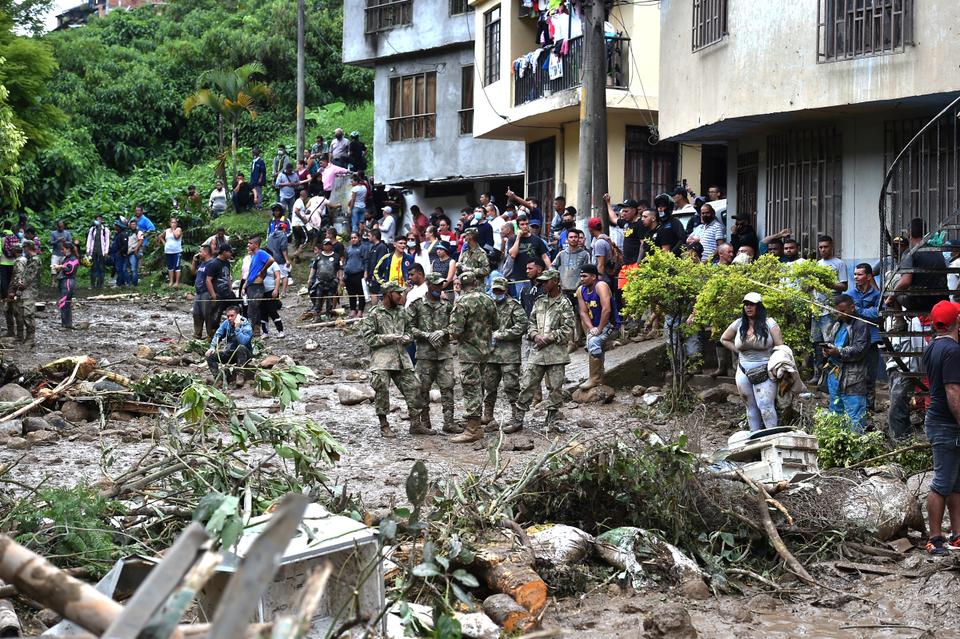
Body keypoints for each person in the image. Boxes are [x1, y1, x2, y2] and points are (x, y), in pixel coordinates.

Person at [510, 269, 575, 433]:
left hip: (556, 354)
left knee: (555, 388)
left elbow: (568, 330)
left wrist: (549, 337)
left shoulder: (565, 303)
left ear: (555, 281)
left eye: (546, 281)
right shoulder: (539, 301)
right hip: (537, 352)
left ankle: (551, 421)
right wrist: (535, 335)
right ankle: (517, 420)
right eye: (542, 282)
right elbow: (530, 323)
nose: (543, 284)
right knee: (527, 384)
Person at [919, 300, 960, 556]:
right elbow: (953, 390)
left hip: (940, 420)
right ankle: (935, 538)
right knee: (943, 482)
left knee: (956, 482)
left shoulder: (933, 346)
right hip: (947, 423)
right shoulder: (953, 351)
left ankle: (957, 534)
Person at [359, 281, 424, 438]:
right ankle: (384, 424)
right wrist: (388, 338)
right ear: (389, 294)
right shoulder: (375, 313)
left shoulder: (402, 312)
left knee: (414, 386)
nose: (401, 296)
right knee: (381, 387)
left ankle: (416, 423)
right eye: (398, 293)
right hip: (382, 358)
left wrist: (406, 338)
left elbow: (411, 331)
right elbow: (368, 337)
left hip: (401, 357)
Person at [447, 270, 499, 443]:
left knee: (470, 387)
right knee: (480, 386)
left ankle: (473, 428)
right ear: (476, 283)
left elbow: (455, 330)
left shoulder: (461, 302)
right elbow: (497, 324)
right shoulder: (488, 299)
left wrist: (445, 333)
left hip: (468, 352)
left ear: (460, 285)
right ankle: (476, 422)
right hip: (485, 350)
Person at [720, 293, 784, 432]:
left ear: (759, 306)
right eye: (746, 304)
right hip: (743, 370)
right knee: (751, 407)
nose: (748, 307)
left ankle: (772, 438)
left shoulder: (770, 323)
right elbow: (724, 339)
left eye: (752, 304)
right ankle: (755, 439)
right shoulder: (738, 324)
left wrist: (778, 366)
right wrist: (738, 351)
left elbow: (781, 348)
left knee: (766, 406)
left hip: (766, 370)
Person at [407, 272, 455, 435]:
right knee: (422, 389)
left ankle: (449, 422)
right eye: (435, 284)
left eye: (441, 284)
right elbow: (408, 327)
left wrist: (443, 332)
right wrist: (426, 335)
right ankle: (424, 422)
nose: (439, 287)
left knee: (448, 387)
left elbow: (456, 326)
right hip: (424, 354)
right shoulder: (417, 305)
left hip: (444, 354)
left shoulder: (447, 305)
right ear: (428, 285)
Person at [482, 275, 529, 432]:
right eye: (494, 290)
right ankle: (487, 415)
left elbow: (522, 326)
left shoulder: (514, 306)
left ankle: (516, 418)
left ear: (505, 290)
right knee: (489, 386)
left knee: (511, 386)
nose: (497, 293)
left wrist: (501, 334)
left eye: (500, 290)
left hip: (509, 354)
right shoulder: (487, 305)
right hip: (490, 354)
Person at [821, 294, 871, 433]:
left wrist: (838, 351)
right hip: (835, 375)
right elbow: (833, 342)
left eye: (843, 311)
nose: (840, 314)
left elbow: (859, 350)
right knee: (836, 411)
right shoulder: (838, 323)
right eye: (838, 311)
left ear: (852, 308)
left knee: (855, 415)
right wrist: (828, 351)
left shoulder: (861, 325)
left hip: (853, 378)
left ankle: (856, 449)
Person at [888, 217, 951, 312]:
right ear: (924, 232)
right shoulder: (937, 251)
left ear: (909, 232)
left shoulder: (909, 253)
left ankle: (899, 322)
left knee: (891, 277)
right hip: (941, 300)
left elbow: (905, 282)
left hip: (918, 302)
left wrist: (891, 297)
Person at [810, 235, 849, 382]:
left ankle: (829, 376)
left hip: (830, 309)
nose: (823, 250)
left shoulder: (839, 264)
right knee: (816, 343)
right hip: (816, 309)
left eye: (825, 247)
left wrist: (826, 283)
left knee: (829, 343)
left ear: (831, 246)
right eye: (820, 247)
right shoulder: (816, 264)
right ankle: (817, 374)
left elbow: (844, 286)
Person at [576, 263, 620, 389]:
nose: (582, 279)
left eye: (585, 276)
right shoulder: (581, 290)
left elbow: (606, 310)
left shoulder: (601, 286)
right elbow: (583, 312)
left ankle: (594, 379)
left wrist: (599, 329)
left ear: (594, 277)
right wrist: (591, 329)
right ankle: (598, 376)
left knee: (593, 342)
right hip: (594, 326)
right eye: (581, 276)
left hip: (609, 324)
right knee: (592, 341)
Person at [850, 263, 882, 408]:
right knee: (854, 375)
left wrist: (858, 311)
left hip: (871, 340)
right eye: (855, 274)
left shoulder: (877, 296)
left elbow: (877, 314)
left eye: (859, 274)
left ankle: (869, 408)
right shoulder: (849, 295)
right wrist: (867, 311)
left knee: (870, 375)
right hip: (854, 341)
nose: (856, 277)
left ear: (869, 277)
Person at [553, 228, 591, 349]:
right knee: (568, 316)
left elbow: (589, 270)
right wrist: (556, 280)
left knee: (583, 314)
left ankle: (587, 340)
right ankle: (571, 342)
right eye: (571, 237)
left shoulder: (584, 254)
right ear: (567, 239)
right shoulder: (562, 254)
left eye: (576, 237)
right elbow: (553, 266)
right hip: (565, 289)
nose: (574, 239)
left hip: (580, 289)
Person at [205, 306, 253, 386]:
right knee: (210, 356)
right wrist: (212, 347)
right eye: (228, 316)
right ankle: (218, 378)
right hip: (231, 353)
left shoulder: (246, 325)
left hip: (244, 354)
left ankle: (240, 376)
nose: (229, 318)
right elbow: (218, 334)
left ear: (238, 316)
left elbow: (243, 341)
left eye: (232, 316)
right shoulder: (226, 323)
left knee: (241, 347)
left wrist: (237, 328)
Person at [240, 236, 275, 337]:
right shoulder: (254, 256)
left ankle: (256, 331)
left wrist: (263, 269)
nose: (248, 245)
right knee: (250, 308)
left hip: (257, 286)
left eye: (250, 243)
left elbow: (271, 259)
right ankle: (253, 330)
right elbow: (251, 273)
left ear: (256, 245)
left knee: (253, 308)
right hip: (251, 285)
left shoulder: (260, 253)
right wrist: (244, 286)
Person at [10, 240, 40, 345]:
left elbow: (29, 278)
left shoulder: (35, 260)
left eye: (24, 248)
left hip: (30, 290)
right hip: (27, 290)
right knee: (23, 313)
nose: (23, 250)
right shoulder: (30, 259)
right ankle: (26, 337)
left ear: (28, 247)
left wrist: (20, 285)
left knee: (28, 313)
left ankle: (30, 338)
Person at [203, 243, 235, 336]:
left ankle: (232, 333)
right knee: (215, 316)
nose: (231, 254)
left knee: (234, 312)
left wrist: (230, 289)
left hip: (227, 293)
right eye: (229, 252)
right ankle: (213, 336)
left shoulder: (227, 263)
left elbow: (228, 277)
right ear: (224, 252)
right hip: (218, 294)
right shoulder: (214, 263)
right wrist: (213, 294)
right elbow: (208, 280)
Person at [604, 195, 645, 266]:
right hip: (626, 263)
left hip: (635, 264)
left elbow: (643, 244)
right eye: (623, 211)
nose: (623, 214)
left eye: (626, 211)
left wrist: (638, 263)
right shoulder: (626, 223)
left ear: (634, 210)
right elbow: (613, 218)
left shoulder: (640, 224)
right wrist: (608, 203)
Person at [308, 240, 341, 316]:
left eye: (329, 244)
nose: (327, 246)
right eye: (325, 245)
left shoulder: (336, 256)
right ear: (323, 246)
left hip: (332, 281)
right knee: (318, 298)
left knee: (330, 298)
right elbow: (314, 268)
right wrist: (310, 278)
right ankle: (317, 314)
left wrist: (340, 279)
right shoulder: (319, 256)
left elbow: (339, 269)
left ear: (331, 246)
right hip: (320, 281)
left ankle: (329, 314)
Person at [54, 242, 80, 329]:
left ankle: (66, 324)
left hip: (68, 282)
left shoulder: (73, 259)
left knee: (64, 303)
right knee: (65, 303)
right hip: (64, 282)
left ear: (68, 249)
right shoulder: (67, 258)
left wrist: (61, 267)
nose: (62, 251)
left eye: (63, 249)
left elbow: (70, 270)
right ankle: (67, 324)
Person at [343, 232, 369, 318]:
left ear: (359, 238)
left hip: (359, 273)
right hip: (348, 273)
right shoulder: (348, 249)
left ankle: (360, 311)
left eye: (355, 237)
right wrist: (344, 272)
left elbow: (366, 261)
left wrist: (365, 272)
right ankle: (353, 310)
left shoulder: (363, 248)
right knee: (351, 293)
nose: (353, 239)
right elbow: (346, 260)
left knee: (360, 293)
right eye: (352, 238)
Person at [191, 245, 214, 339]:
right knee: (196, 313)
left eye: (200, 252)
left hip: (206, 292)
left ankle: (211, 336)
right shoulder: (202, 263)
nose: (199, 254)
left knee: (207, 314)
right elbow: (193, 273)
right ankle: (197, 334)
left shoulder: (212, 263)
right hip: (198, 292)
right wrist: (194, 261)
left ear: (206, 252)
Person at [260, 258, 285, 338]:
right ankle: (265, 332)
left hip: (271, 290)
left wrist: (276, 289)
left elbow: (278, 277)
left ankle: (280, 330)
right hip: (260, 291)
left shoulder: (273, 264)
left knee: (272, 311)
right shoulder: (259, 263)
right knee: (263, 312)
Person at [365, 229, 390, 306]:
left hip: (378, 276)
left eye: (369, 236)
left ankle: (377, 310)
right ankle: (374, 310)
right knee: (372, 292)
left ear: (374, 236)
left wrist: (376, 275)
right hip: (372, 275)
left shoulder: (382, 247)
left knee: (376, 293)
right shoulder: (372, 247)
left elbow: (381, 262)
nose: (368, 238)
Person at [266, 220, 290, 296]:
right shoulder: (283, 236)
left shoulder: (270, 236)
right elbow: (283, 249)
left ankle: (273, 291)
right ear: (284, 229)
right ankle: (283, 292)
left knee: (273, 276)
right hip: (280, 259)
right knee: (284, 275)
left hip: (270, 259)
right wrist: (287, 260)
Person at [85, 215, 109, 289]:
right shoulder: (92, 229)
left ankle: (101, 284)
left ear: (102, 220)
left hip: (101, 251)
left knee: (101, 268)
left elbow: (107, 241)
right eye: (97, 219)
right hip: (93, 251)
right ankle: (92, 284)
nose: (98, 220)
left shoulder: (105, 230)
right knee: (93, 267)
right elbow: (89, 239)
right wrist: (88, 250)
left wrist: (106, 251)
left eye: (100, 219)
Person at [161, 218, 184, 287]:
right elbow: (161, 237)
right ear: (169, 223)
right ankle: (171, 281)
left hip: (177, 251)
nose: (173, 224)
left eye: (175, 223)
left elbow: (176, 237)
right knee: (170, 267)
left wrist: (173, 229)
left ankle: (177, 282)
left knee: (177, 267)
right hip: (168, 251)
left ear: (176, 224)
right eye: (172, 222)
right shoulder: (167, 230)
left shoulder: (178, 229)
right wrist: (165, 244)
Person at [110, 219, 129, 287]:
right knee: (117, 269)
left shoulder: (123, 234)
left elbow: (125, 246)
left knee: (120, 269)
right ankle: (122, 283)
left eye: (116, 225)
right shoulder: (117, 234)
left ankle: (120, 283)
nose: (115, 227)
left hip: (120, 255)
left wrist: (119, 252)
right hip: (116, 255)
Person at [127, 219, 144, 286]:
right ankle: (131, 283)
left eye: (134, 224)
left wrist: (136, 249)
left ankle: (134, 284)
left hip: (134, 252)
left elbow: (141, 240)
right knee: (130, 269)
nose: (133, 226)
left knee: (134, 269)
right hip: (128, 252)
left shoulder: (139, 232)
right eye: (131, 224)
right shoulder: (129, 232)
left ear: (136, 225)